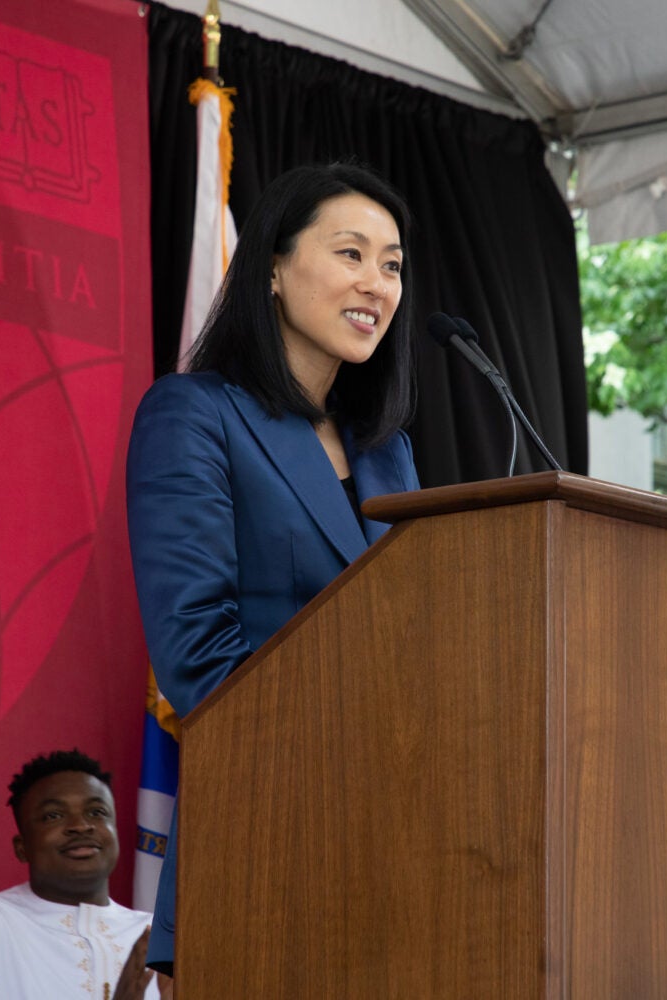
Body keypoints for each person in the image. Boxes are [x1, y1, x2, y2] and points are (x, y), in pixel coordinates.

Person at [126, 161, 422, 975]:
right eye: (351, 253)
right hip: (263, 848)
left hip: (401, 862)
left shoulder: (387, 457)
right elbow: (197, 656)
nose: (378, 283)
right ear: (273, 273)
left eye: (392, 264)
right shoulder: (195, 415)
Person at [0, 749, 162, 1000]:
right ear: (22, 848)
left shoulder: (163, 936)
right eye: (53, 816)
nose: (81, 825)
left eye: (96, 812)